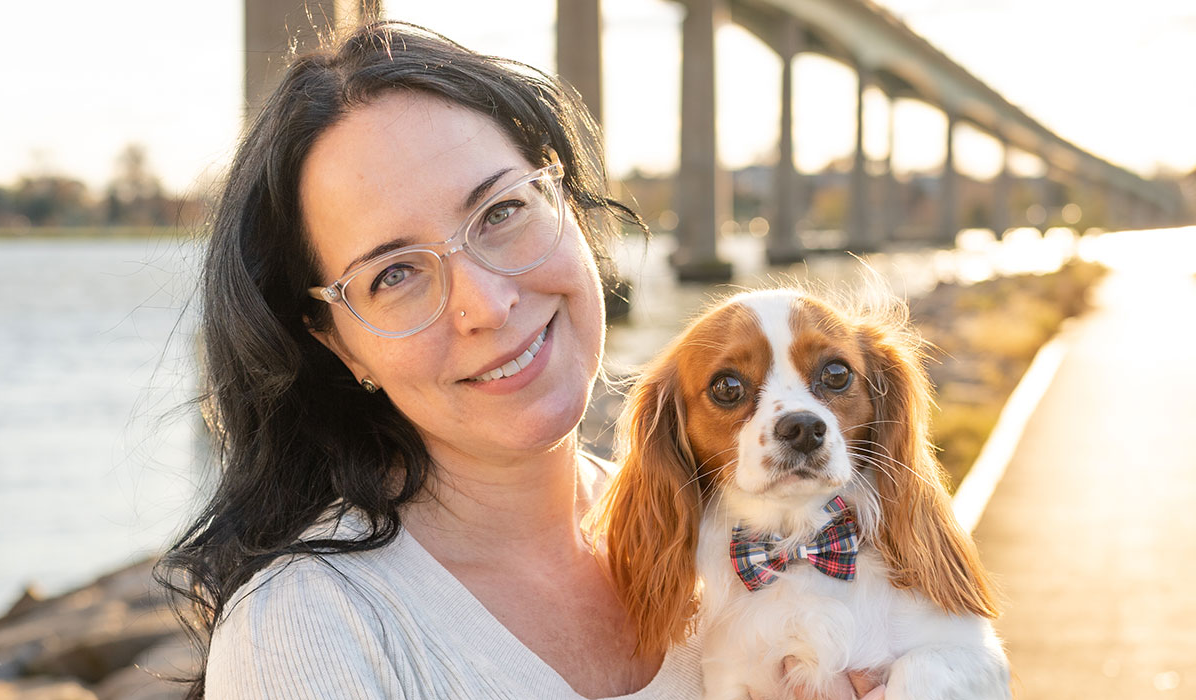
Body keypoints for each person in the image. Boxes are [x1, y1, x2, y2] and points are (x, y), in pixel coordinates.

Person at [158, 21, 883, 700]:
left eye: (501, 211)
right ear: (338, 342)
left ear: (563, 196)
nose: (488, 303)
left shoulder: (733, 515)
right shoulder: (306, 628)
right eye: (395, 274)